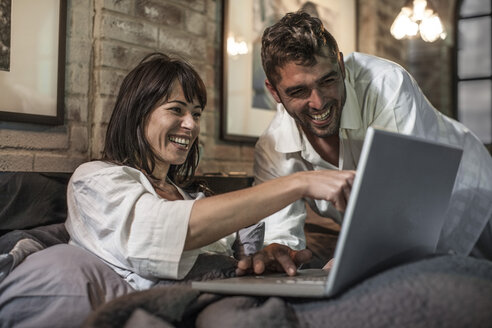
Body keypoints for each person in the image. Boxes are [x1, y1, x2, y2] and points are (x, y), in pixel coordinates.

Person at [65, 52, 354, 291]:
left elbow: (228, 262)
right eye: (177, 110)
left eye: (196, 113)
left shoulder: (191, 196)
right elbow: (158, 234)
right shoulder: (94, 179)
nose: (191, 125)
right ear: (138, 113)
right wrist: (298, 183)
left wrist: (264, 259)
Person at [254, 11, 492, 261]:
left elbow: (403, 200)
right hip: (412, 236)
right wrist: (278, 251)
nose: (319, 102)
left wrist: (358, 257)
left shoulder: (387, 85)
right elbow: (280, 236)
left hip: (473, 191)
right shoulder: (272, 149)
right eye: (299, 91)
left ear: (341, 66)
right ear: (274, 91)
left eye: (328, 81)